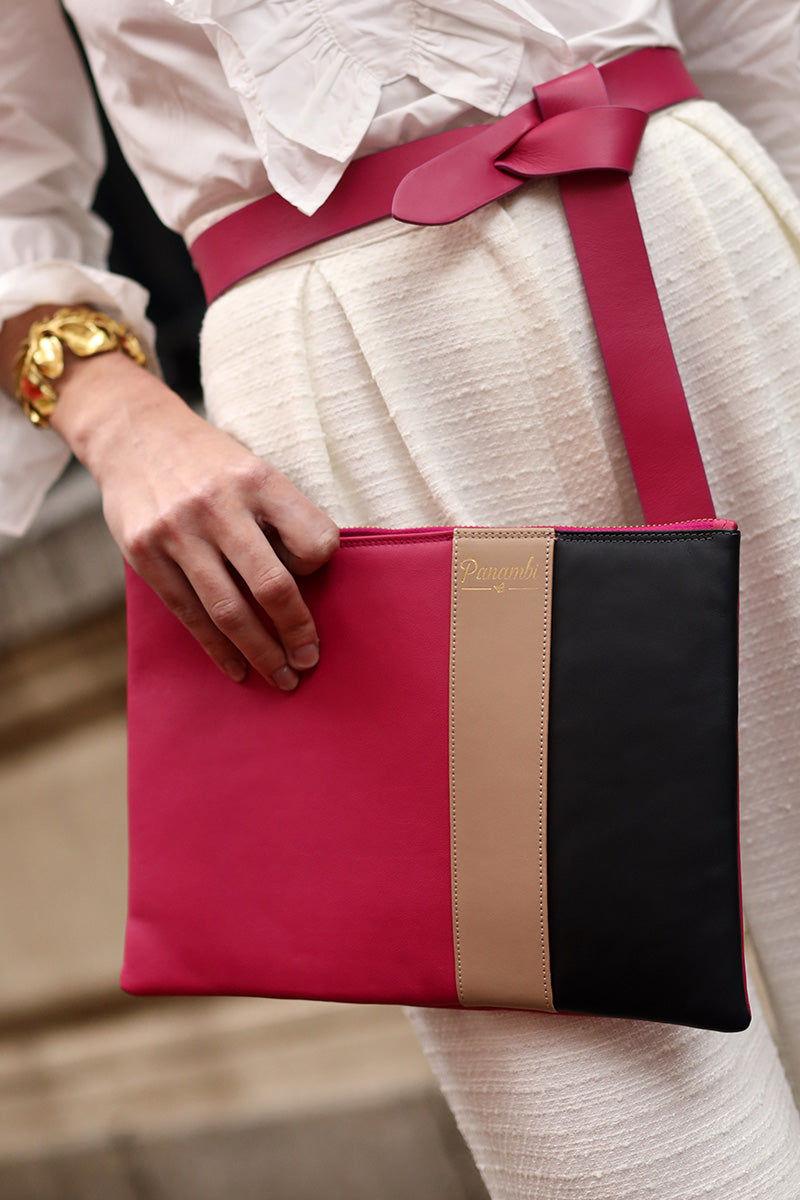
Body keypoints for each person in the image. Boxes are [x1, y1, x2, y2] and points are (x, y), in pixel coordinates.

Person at [2, 2, 800, 1195]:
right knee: (627, 1150)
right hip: (355, 395)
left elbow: (757, 33)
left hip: (721, 265)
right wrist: (120, 421)